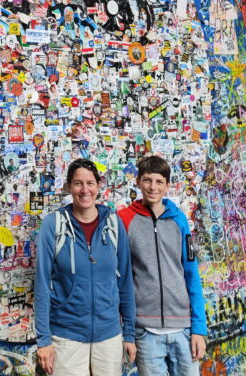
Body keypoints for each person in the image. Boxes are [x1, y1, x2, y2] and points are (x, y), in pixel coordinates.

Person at [34, 158, 137, 375]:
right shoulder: (54, 225)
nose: (84, 190)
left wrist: (129, 333)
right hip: (66, 335)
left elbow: (125, 281)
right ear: (69, 187)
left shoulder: (113, 223)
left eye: (90, 183)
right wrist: (43, 340)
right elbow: (42, 284)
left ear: (98, 186)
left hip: (109, 335)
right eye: (78, 183)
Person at [118, 155, 207, 376]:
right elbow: (120, 278)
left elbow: (191, 274)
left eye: (159, 182)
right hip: (146, 333)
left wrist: (199, 329)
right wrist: (128, 333)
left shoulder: (179, 220)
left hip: (184, 330)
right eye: (147, 180)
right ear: (138, 182)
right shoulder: (124, 220)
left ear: (167, 185)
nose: (152, 187)